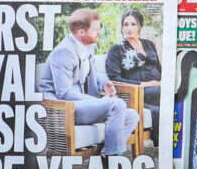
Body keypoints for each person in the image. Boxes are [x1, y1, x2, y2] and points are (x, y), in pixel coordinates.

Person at [38, 8, 139, 156]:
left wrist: (104, 83)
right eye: (95, 30)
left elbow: (90, 73)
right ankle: (113, 156)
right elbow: (64, 92)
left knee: (132, 116)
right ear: (81, 32)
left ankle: (107, 153)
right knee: (117, 104)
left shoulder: (87, 47)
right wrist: (97, 101)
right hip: (64, 109)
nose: (99, 33)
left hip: (79, 103)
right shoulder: (64, 52)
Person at [105, 10, 162, 145]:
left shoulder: (149, 44)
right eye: (126, 24)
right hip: (137, 91)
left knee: (168, 96)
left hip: (156, 88)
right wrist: (143, 84)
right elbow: (114, 79)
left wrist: (161, 81)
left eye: (133, 24)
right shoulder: (116, 49)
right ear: (122, 27)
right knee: (167, 95)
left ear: (140, 26)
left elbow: (159, 68)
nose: (129, 28)